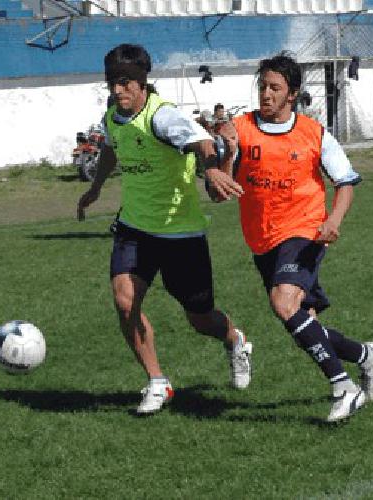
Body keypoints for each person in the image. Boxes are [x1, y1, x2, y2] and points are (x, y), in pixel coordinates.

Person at [203, 53, 373, 423]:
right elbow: (219, 194)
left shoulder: (314, 133)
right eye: (263, 87)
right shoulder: (239, 130)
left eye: (275, 88)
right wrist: (228, 155)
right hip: (262, 241)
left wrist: (334, 219)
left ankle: (343, 388)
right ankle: (365, 355)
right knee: (303, 322)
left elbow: (345, 182)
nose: (266, 94)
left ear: (292, 94)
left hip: (305, 230)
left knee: (283, 303)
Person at [76, 44, 253, 415]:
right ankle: (158, 382)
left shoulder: (163, 117)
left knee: (200, 318)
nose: (117, 90)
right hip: (134, 228)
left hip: (180, 233)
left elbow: (202, 142)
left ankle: (236, 340)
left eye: (125, 83)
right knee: (125, 303)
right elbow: (111, 146)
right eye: (112, 83)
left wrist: (214, 169)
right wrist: (94, 188)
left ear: (142, 83)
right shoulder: (113, 116)